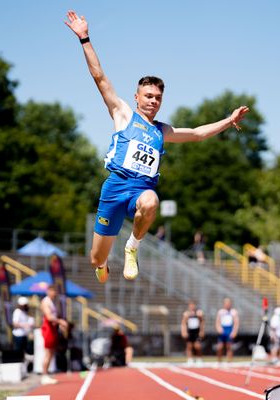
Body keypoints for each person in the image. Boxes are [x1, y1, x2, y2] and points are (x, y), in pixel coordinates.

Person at [64, 10, 249, 284]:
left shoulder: (161, 130)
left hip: (141, 189)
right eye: (148, 96)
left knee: (151, 201)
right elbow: (100, 77)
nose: (153, 101)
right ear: (136, 96)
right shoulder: (123, 114)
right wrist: (84, 38)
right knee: (96, 257)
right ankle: (102, 265)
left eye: (158, 98)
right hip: (115, 187)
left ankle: (132, 248)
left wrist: (228, 120)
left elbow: (197, 133)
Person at [40, 285, 68, 385]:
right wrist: (60, 321)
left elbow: (53, 317)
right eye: (53, 291)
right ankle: (44, 375)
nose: (55, 293)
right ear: (49, 291)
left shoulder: (52, 302)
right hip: (48, 329)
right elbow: (49, 317)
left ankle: (46, 374)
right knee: (48, 353)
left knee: (51, 352)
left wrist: (59, 324)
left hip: (52, 328)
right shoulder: (46, 302)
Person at [215, 297, 239, 364]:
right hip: (222, 329)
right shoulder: (221, 312)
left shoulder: (233, 312)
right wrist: (218, 328)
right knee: (220, 347)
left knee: (229, 346)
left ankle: (229, 362)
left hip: (230, 330)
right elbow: (217, 321)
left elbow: (236, 322)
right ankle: (219, 361)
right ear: (224, 304)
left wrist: (234, 331)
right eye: (226, 303)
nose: (227, 304)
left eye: (229, 303)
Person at [181, 300, 204, 366]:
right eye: (190, 305)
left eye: (193, 305)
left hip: (197, 331)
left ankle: (199, 359)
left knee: (198, 346)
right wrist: (184, 331)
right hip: (189, 331)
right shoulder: (186, 314)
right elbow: (183, 323)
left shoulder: (199, 313)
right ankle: (190, 359)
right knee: (189, 346)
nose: (192, 306)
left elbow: (202, 322)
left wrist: (202, 331)